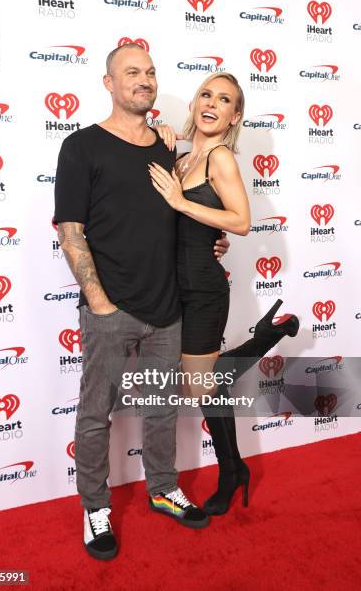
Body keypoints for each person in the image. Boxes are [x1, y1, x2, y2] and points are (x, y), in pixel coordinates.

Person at [53, 44, 230, 561]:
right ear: (108, 83)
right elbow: (71, 231)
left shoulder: (166, 148)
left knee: (161, 408)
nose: (144, 80)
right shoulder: (81, 146)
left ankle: (162, 487)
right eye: (131, 72)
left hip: (167, 308)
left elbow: (180, 215)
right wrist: (99, 303)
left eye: (150, 72)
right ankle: (94, 507)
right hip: (111, 310)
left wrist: (213, 241)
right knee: (94, 414)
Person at [149, 71, 299, 516]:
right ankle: (275, 331)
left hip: (205, 290)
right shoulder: (182, 160)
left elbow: (242, 221)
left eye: (225, 99)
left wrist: (183, 204)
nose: (212, 103)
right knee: (209, 384)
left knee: (204, 387)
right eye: (206, 94)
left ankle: (232, 472)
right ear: (196, 103)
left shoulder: (220, 158)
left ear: (236, 114)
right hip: (177, 287)